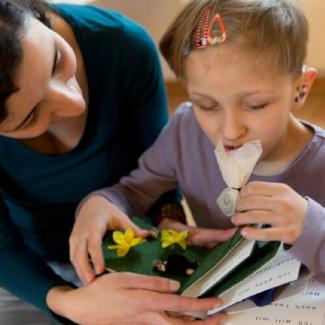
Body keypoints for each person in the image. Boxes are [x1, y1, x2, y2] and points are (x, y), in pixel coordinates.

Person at [73, 0, 325, 322]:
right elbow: (134, 192)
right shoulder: (185, 130)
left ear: (300, 90)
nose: (231, 130)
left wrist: (311, 227)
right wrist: (99, 203)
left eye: (256, 105)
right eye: (207, 105)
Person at [0, 1, 227, 324]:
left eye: (56, 61)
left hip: (134, 248)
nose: (75, 103)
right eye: (31, 116)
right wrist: (69, 302)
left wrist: (168, 224)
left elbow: (158, 175)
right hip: (27, 267)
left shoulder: (122, 45)